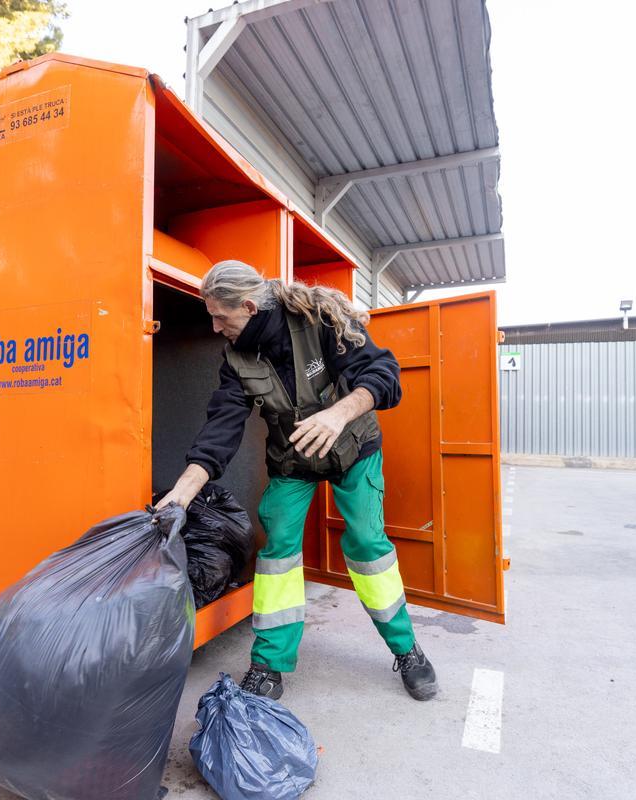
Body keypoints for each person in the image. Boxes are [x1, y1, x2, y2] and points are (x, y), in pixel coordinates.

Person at [156, 260, 437, 701]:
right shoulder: (236, 357)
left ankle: (407, 650)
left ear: (248, 306)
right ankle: (269, 664)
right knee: (279, 552)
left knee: (367, 545)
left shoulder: (319, 318)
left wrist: (338, 413)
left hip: (352, 450)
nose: (213, 327)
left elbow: (384, 374)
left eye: (219, 316)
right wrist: (183, 492)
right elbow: (223, 426)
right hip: (293, 460)